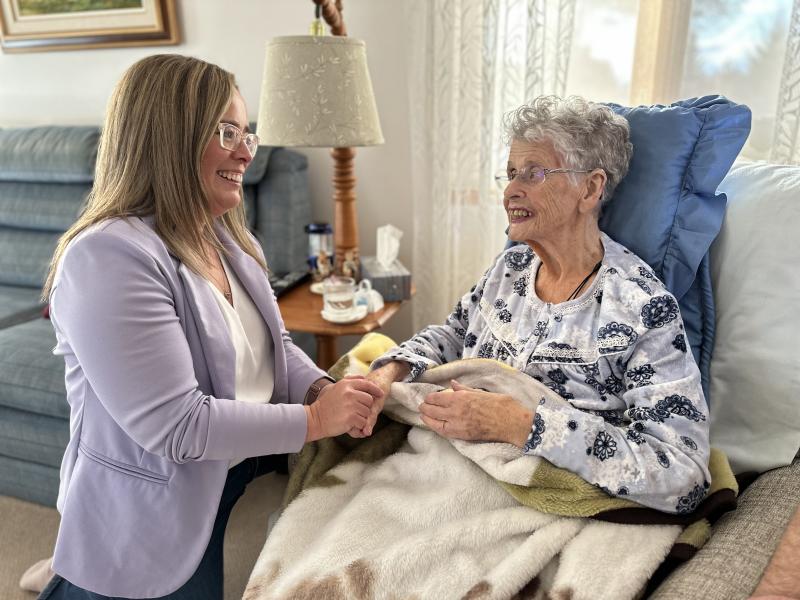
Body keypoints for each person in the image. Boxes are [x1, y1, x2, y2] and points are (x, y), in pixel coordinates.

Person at [35, 54, 382, 599]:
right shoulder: (106, 256)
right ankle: (71, 571)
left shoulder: (226, 239)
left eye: (247, 133)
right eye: (226, 133)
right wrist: (316, 419)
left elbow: (275, 347)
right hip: (154, 509)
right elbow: (177, 427)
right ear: (170, 138)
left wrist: (322, 387)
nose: (246, 151)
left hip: (236, 466)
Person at [366, 96, 711, 515]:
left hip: (534, 501)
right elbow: (454, 335)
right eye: (511, 174)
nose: (511, 190)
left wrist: (522, 424)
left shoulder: (643, 308)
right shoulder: (510, 267)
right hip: (444, 466)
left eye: (534, 173)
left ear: (590, 188)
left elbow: (682, 473)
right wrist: (389, 373)